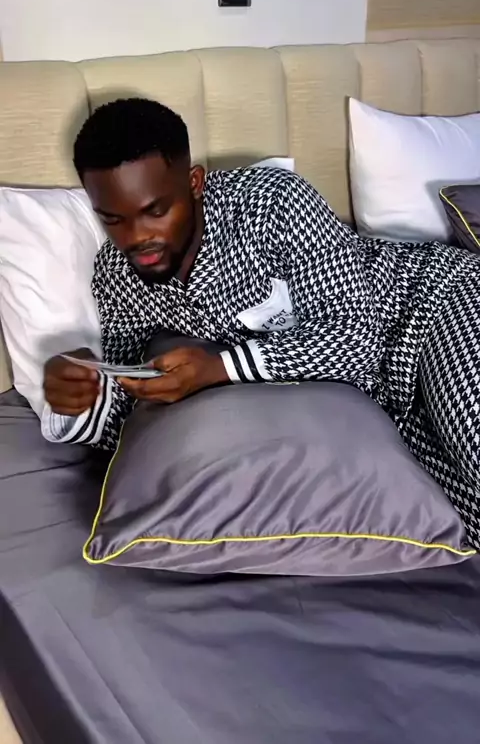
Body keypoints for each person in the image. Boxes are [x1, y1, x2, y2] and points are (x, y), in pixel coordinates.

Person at [43, 98, 480, 546]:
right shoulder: (118, 276)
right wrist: (79, 394)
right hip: (391, 407)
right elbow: (131, 407)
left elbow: (357, 339)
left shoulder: (273, 201)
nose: (137, 238)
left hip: (437, 304)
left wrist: (219, 367)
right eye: (113, 220)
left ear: (194, 183)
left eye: (156, 211)